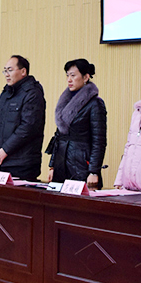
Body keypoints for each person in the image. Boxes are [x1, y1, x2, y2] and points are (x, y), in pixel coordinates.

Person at [47, 59, 107, 188]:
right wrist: (52, 165)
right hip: (61, 163)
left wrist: (94, 171)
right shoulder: (65, 101)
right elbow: (58, 136)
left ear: (85, 77)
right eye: (67, 75)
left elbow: (99, 140)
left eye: (73, 75)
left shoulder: (95, 104)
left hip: (81, 165)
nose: (69, 79)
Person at [0, 55, 46, 180]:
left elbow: (28, 127)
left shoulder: (33, 93)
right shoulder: (6, 92)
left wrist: (5, 150)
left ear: (23, 71)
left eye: (10, 70)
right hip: (5, 160)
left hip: (24, 162)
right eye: (5, 71)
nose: (6, 74)